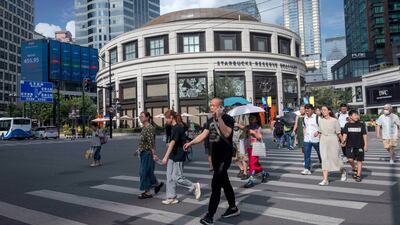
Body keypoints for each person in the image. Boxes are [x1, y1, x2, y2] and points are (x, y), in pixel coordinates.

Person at [184, 98, 239, 225]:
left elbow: (226, 133)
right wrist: (190, 143)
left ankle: (210, 216)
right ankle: (233, 207)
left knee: (215, 185)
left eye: (214, 106)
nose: (211, 107)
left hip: (224, 158)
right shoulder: (210, 121)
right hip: (215, 158)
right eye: (211, 105)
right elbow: (203, 135)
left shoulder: (228, 119)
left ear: (221, 107)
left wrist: (219, 118)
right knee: (225, 183)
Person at [159, 110, 201, 205]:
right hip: (172, 155)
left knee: (177, 178)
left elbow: (173, 142)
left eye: (166, 118)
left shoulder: (178, 128)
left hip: (178, 155)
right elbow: (173, 141)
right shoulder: (172, 127)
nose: (166, 120)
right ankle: (171, 197)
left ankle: (194, 186)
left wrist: (165, 157)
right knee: (169, 177)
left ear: (171, 118)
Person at [137, 112, 164, 199]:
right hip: (143, 152)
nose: (140, 118)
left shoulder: (149, 128)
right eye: (139, 116)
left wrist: (154, 154)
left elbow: (151, 142)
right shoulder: (144, 128)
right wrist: (138, 149)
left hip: (148, 153)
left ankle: (147, 192)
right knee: (148, 172)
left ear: (147, 117)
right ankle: (157, 184)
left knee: (143, 172)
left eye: (142, 116)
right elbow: (143, 142)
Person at [318, 106, 347, 186]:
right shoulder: (320, 121)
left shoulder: (335, 120)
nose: (323, 111)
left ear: (329, 111)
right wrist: (319, 141)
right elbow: (320, 132)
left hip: (333, 139)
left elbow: (338, 132)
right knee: (324, 159)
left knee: (336, 158)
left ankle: (343, 171)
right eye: (322, 110)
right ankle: (325, 180)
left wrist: (342, 141)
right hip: (323, 140)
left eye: (324, 110)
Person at [341, 110, 368, 182]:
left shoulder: (361, 124)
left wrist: (366, 145)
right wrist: (343, 141)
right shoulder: (347, 125)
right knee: (350, 159)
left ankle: (358, 175)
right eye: (355, 115)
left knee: (359, 160)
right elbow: (345, 134)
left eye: (357, 115)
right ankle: (354, 168)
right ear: (350, 116)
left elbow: (364, 135)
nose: (357, 116)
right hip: (350, 145)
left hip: (360, 146)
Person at [243, 115, 269, 188]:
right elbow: (246, 136)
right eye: (250, 118)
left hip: (256, 147)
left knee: (252, 164)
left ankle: (251, 180)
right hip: (249, 147)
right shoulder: (247, 127)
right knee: (255, 164)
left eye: (253, 118)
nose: (251, 119)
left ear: (256, 120)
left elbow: (260, 137)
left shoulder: (258, 127)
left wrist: (253, 132)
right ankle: (264, 173)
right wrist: (246, 131)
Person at [301, 104, 322, 175]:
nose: (307, 112)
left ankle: (322, 163)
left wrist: (318, 132)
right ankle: (307, 168)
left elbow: (322, 127)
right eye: (306, 110)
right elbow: (304, 128)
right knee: (306, 154)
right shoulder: (304, 118)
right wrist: (304, 137)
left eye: (308, 110)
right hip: (307, 139)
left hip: (316, 139)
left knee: (320, 153)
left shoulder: (317, 117)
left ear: (312, 110)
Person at [233, 115, 249, 180]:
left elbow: (246, 128)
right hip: (233, 140)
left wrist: (238, 125)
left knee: (243, 157)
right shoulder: (231, 115)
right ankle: (242, 169)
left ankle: (245, 173)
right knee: (234, 157)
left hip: (241, 139)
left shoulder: (244, 116)